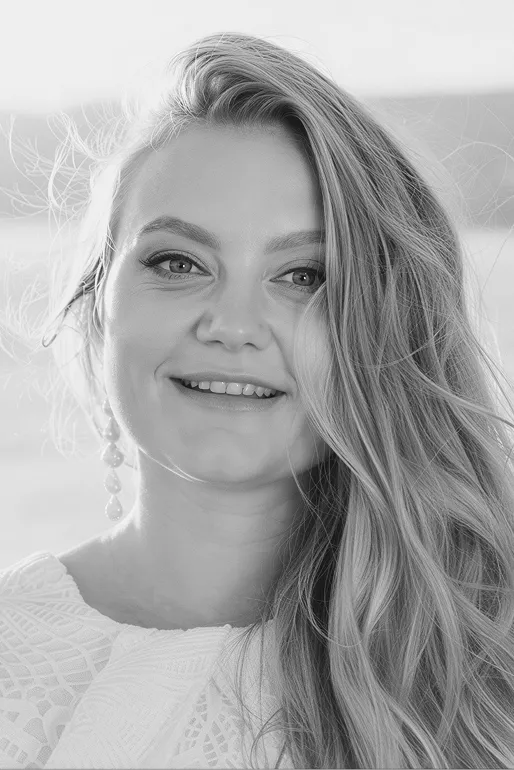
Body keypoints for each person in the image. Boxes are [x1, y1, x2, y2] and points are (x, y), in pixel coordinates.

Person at [1, 31, 514, 770]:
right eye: (178, 262)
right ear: (97, 307)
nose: (232, 324)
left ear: (384, 330)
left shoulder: (485, 673)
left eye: (303, 276)